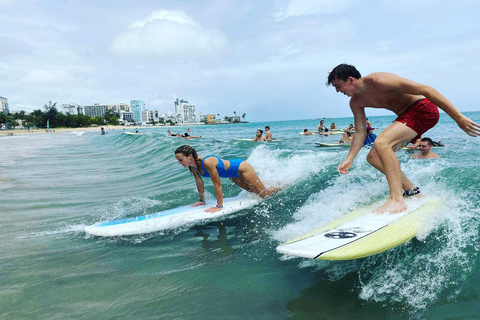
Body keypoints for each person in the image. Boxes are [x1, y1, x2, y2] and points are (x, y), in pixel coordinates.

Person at [327, 63, 480, 213]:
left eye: (338, 85)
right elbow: (360, 132)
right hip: (406, 117)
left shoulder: (379, 81)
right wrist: (350, 158)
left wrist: (458, 117)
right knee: (373, 157)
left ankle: (396, 200)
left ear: (351, 79)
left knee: (382, 142)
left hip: (423, 109)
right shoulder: (355, 102)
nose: (337, 90)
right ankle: (413, 192)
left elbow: (427, 89)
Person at [174, 145, 277, 212]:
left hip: (241, 168)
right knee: (252, 190)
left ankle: (281, 186)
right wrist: (201, 200)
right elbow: (199, 182)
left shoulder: (207, 162)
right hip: (232, 175)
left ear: (190, 156)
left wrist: (219, 206)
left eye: (180, 160)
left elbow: (217, 184)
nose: (179, 163)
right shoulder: (192, 167)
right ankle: (267, 183)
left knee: (264, 194)